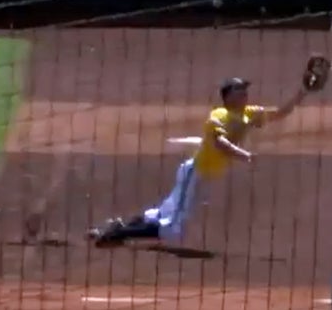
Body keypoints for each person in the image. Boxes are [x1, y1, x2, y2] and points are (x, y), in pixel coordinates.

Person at [86, 77, 309, 248]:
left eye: (245, 90)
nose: (245, 94)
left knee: (163, 214)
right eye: (240, 90)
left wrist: (303, 92)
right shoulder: (219, 116)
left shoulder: (249, 114)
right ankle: (120, 234)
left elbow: (281, 112)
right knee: (173, 230)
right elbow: (220, 142)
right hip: (197, 173)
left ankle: (120, 228)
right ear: (229, 95)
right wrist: (244, 155)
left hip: (205, 176)